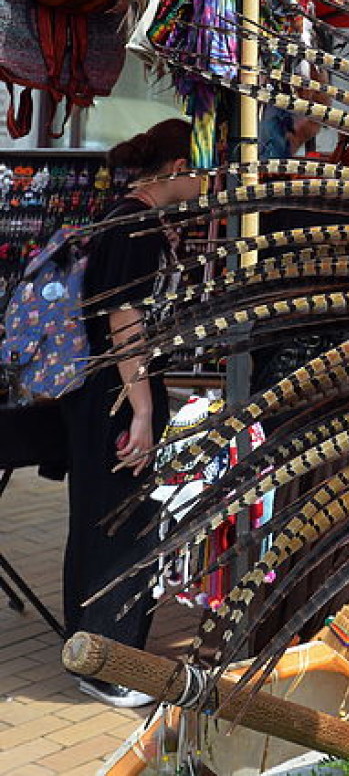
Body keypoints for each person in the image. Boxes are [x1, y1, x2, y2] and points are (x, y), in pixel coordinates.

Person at [60, 117, 202, 708]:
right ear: (178, 169)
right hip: (118, 395)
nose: (211, 184)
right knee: (116, 528)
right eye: (206, 170)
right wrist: (142, 412)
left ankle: (99, 654)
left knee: (111, 522)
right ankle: (103, 662)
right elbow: (126, 325)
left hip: (114, 391)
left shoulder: (139, 218)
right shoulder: (137, 225)